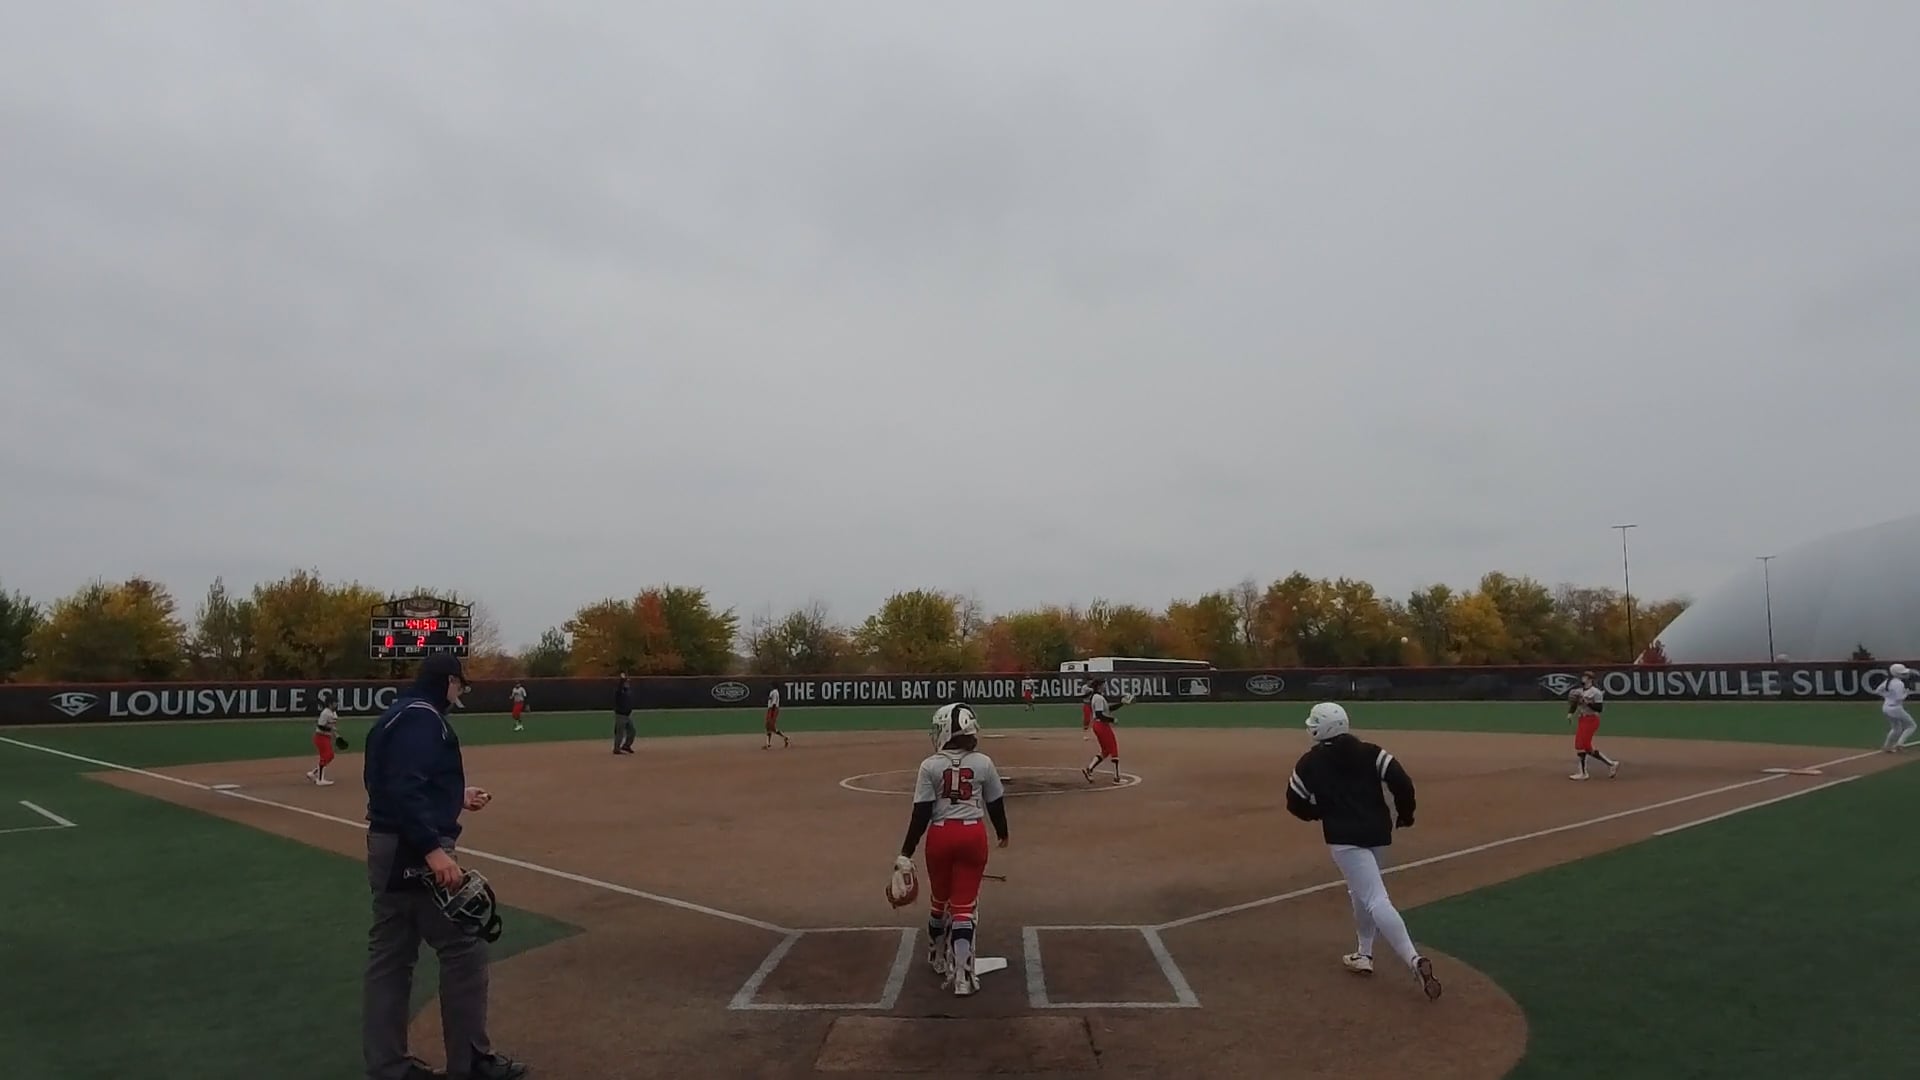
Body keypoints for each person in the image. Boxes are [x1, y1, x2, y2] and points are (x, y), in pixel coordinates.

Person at [362, 653, 528, 1080]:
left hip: (387, 842)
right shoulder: (424, 718)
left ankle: (388, 1066)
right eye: (460, 686)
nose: (459, 694)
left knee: (391, 958)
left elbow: (390, 782)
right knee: (463, 947)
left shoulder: (397, 713)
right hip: (412, 850)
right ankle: (471, 1062)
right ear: (449, 682)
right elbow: (404, 787)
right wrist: (432, 850)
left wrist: (453, 796)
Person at [1285, 701, 1442, 1002]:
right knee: (1360, 891)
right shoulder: (1370, 752)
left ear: (1321, 728)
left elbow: (1294, 802)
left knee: (1374, 898)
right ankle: (1364, 953)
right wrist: (1405, 814)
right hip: (1378, 833)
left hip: (1344, 839)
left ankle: (1413, 959)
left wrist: (1319, 812)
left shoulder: (1310, 762)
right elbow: (1402, 782)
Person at [898, 703, 1009, 997]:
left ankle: (936, 956)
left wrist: (906, 851)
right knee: (964, 908)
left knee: (939, 901)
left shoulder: (930, 765)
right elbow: (995, 803)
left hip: (940, 836)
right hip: (972, 835)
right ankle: (963, 976)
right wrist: (1003, 832)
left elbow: (921, 813)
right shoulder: (983, 762)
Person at [1566, 671, 1620, 780]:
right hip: (1582, 719)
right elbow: (1575, 703)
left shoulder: (1596, 692)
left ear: (1590, 679)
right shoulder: (1579, 691)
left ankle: (1583, 773)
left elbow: (1599, 708)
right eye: (1583, 676)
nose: (1583, 678)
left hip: (1591, 720)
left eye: (1586, 677)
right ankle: (1611, 764)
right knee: (1584, 747)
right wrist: (1570, 713)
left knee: (1581, 745)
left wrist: (1588, 702)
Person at [1081, 678, 1131, 784]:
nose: (1105, 686)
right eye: (1103, 684)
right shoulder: (1098, 698)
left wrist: (1121, 703)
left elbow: (1108, 709)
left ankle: (1089, 769)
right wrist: (1112, 720)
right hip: (1102, 726)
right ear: (1099, 686)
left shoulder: (1097, 697)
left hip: (1099, 725)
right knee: (1113, 748)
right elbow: (1100, 715)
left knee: (1105, 751)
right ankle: (1117, 778)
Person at [307, 689, 340, 786]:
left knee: (330, 756)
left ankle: (313, 773)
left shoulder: (333, 713)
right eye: (335, 703)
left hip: (326, 737)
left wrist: (336, 735)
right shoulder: (325, 713)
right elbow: (320, 726)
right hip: (320, 737)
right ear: (330, 704)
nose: (336, 704)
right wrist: (331, 730)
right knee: (326, 756)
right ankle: (320, 779)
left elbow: (331, 726)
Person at [1880, 663, 1915, 752]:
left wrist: (1887, 696)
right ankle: (1900, 743)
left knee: (1896, 728)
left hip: (1886, 708)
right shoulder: (1899, 684)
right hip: (1895, 708)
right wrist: (1906, 693)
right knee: (1911, 726)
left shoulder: (1888, 681)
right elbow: (1899, 698)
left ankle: (1887, 747)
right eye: (1903, 673)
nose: (1906, 674)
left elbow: (1878, 691)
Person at [612, 673, 635, 755]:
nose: (628, 684)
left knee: (632, 732)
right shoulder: (619, 692)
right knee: (619, 733)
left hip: (627, 715)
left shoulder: (627, 692)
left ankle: (626, 746)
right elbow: (619, 687)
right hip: (620, 715)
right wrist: (622, 679)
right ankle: (616, 749)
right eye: (626, 682)